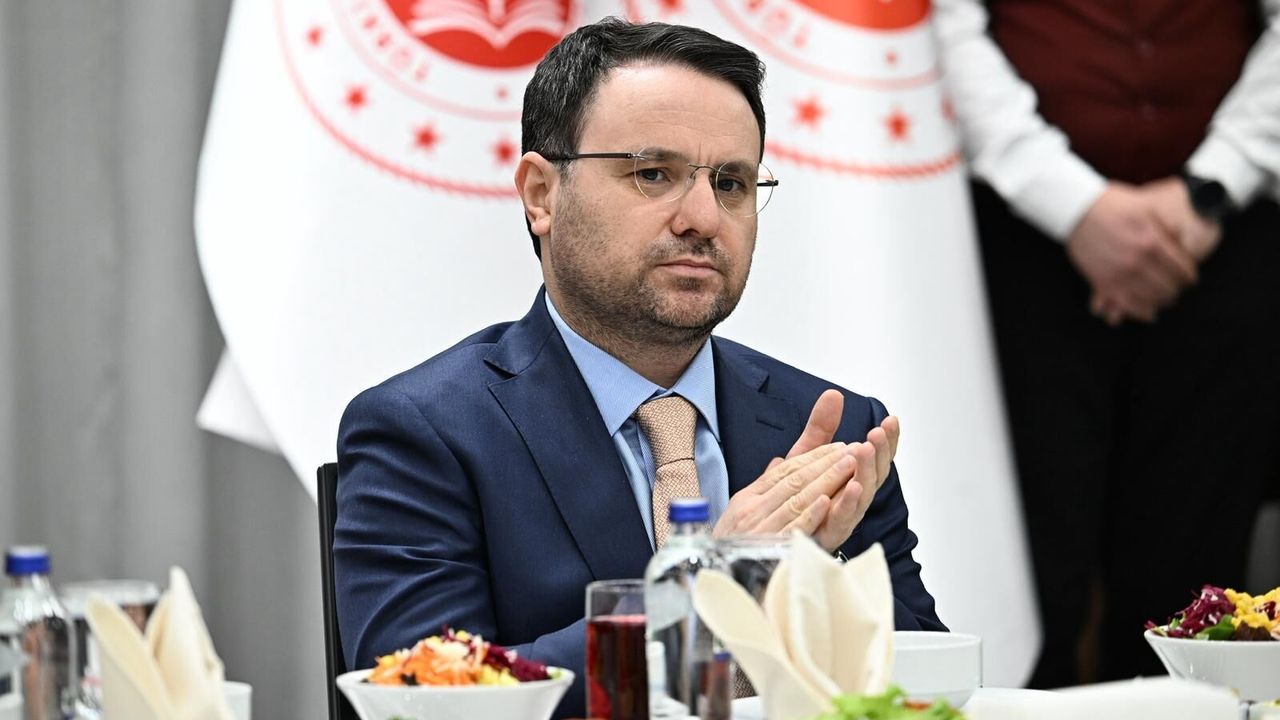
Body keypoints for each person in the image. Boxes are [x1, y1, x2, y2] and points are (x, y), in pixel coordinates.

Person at [334, 18, 945, 718]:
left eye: (732, 183)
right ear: (541, 194)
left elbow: (926, 686)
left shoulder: (834, 430)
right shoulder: (427, 431)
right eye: (653, 174)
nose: (703, 218)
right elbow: (424, 701)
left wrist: (811, 584)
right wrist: (711, 589)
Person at [934, 0, 1280, 688]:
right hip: (1013, 247)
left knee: (1195, 563)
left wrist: (1211, 188)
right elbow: (945, 25)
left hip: (1224, 246)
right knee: (1027, 562)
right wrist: (1070, 204)